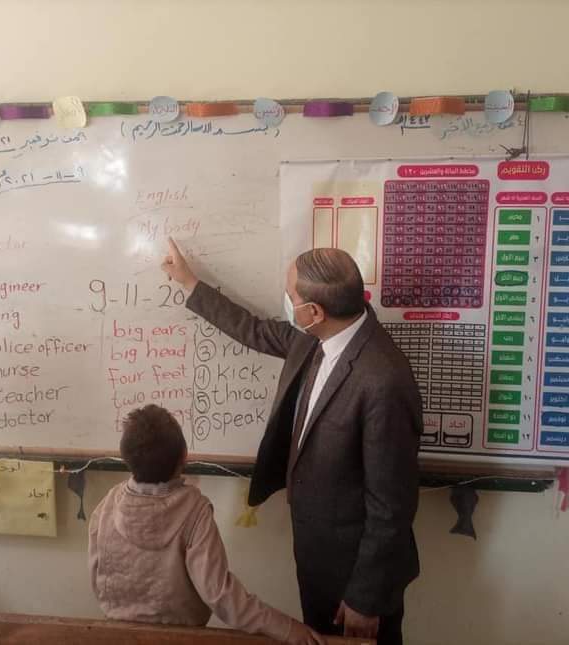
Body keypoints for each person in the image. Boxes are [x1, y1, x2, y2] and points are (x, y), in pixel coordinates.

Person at [162, 239, 422, 644]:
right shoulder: (316, 338)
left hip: (356, 575)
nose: (286, 303)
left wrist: (366, 599)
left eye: (290, 297)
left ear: (315, 311)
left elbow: (392, 507)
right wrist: (189, 283)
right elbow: (254, 330)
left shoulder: (383, 380)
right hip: (316, 555)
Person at [88, 404, 323, 645]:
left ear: (126, 458)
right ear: (184, 456)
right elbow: (220, 593)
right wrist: (287, 629)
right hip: (182, 638)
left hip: (117, 635)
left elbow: (98, 580)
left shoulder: (107, 505)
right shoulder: (194, 511)